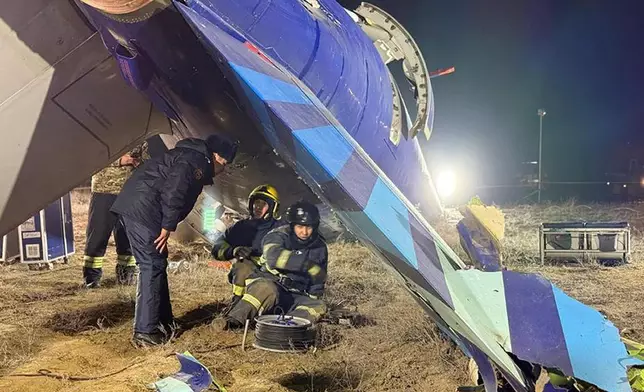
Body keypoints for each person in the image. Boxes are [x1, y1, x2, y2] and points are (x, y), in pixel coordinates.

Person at [111, 134, 238, 347]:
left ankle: (163, 323)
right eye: (225, 163)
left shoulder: (191, 157)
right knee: (150, 265)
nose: (224, 168)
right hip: (143, 210)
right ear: (216, 156)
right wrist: (167, 226)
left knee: (157, 263)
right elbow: (174, 191)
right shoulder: (194, 161)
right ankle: (145, 332)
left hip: (142, 207)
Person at [224, 200, 328, 329]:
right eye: (300, 227)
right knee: (266, 289)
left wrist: (314, 297)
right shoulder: (277, 235)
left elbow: (318, 280)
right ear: (292, 225)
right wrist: (306, 265)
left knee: (318, 306)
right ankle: (232, 321)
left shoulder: (320, 247)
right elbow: (273, 257)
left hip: (296, 295)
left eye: (309, 227)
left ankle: (283, 329)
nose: (305, 232)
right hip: (271, 283)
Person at [83, 142, 149, 288]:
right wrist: (121, 160)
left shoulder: (140, 134)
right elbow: (91, 156)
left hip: (130, 192)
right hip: (104, 190)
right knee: (97, 235)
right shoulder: (104, 134)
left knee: (127, 236)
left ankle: (126, 277)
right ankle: (92, 279)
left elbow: (146, 158)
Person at [211, 184, 282, 307]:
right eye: (256, 203)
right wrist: (233, 251)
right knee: (242, 266)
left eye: (263, 204)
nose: (258, 207)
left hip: (274, 278)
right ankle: (237, 302)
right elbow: (217, 247)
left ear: (272, 208)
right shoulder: (241, 227)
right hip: (247, 274)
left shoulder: (281, 228)